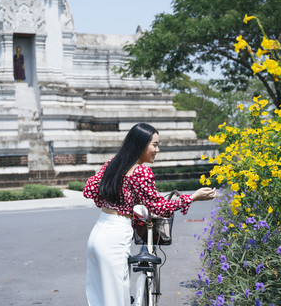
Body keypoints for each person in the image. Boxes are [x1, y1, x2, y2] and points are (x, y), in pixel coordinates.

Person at [83, 123, 216, 306]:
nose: (157, 150)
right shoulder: (140, 172)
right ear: (140, 144)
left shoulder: (113, 164)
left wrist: (118, 200)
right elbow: (159, 207)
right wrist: (193, 197)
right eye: (154, 144)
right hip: (114, 237)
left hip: (98, 232)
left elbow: (90, 189)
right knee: (116, 300)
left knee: (98, 299)